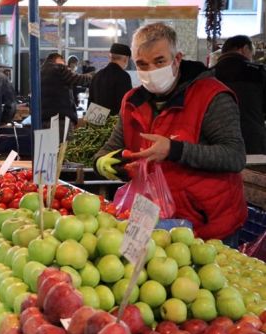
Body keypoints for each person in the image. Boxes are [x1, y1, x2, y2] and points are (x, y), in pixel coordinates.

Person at [94, 23, 247, 241]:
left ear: (176, 59)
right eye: (142, 64)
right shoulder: (132, 101)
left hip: (206, 226)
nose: (151, 71)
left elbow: (234, 156)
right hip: (152, 222)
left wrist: (174, 149)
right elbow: (112, 147)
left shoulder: (212, 95)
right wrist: (106, 163)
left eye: (159, 62)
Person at [213, 35, 266, 154]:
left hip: (218, 141)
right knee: (255, 172)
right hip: (252, 140)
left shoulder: (211, 73)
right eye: (251, 53)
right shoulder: (258, 71)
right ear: (245, 49)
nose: (251, 57)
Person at [40, 52, 92, 138]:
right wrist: (91, 76)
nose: (65, 64)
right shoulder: (59, 68)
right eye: (63, 61)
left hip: (44, 118)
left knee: (49, 148)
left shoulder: (39, 72)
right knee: (64, 148)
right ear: (58, 59)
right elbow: (77, 79)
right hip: (60, 118)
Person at [88, 43, 133, 116]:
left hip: (96, 123)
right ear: (126, 59)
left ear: (110, 57)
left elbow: (90, 102)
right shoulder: (123, 76)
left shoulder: (97, 75)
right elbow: (126, 104)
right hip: (114, 124)